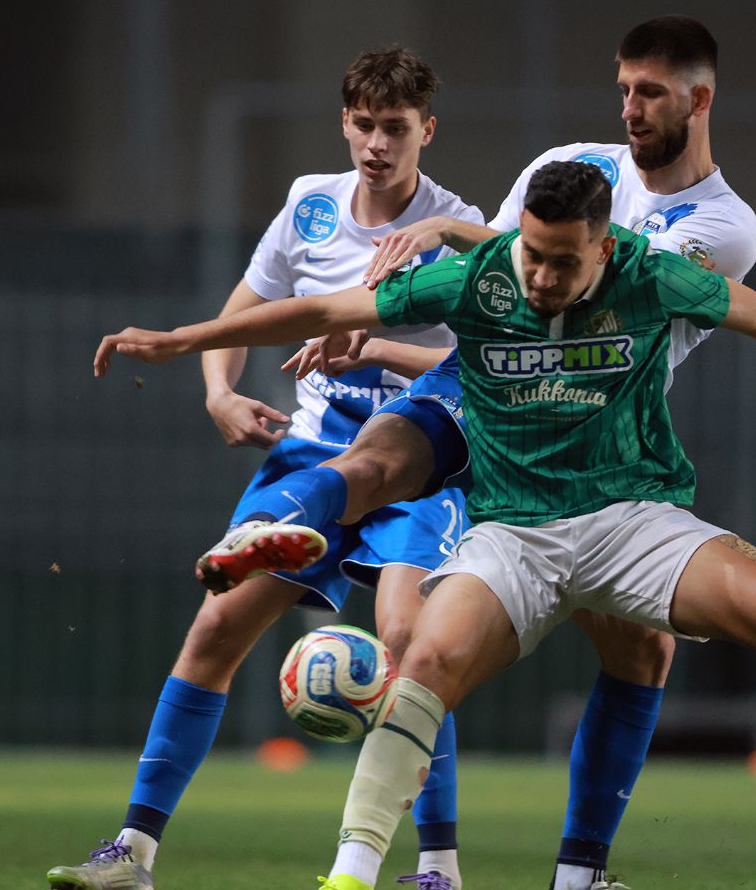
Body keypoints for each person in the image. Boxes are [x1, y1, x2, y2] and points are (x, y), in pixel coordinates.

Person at [92, 161, 756, 889]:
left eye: (563, 262)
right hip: (513, 532)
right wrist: (185, 340)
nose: (542, 277)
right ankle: (351, 878)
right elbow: (328, 310)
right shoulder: (481, 276)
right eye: (532, 256)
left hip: (630, 519)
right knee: (423, 665)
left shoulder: (653, 274)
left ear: (606, 247)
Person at [208, 16, 756, 889]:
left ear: (700, 99)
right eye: (623, 87)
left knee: (637, 653)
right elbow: (502, 274)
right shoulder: (573, 164)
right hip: (492, 396)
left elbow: (592, 289)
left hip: (591, 445)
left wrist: (428, 254)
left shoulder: (723, 227)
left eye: (649, 92)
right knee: (386, 512)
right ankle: (394, 861)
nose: (629, 107)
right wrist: (223, 353)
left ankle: (560, 873)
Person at [47, 48, 481, 890]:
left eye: (396, 128)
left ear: (427, 130)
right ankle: (132, 853)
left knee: (409, 640)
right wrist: (218, 392)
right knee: (214, 630)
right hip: (318, 445)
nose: (378, 144)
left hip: (420, 458)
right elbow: (246, 310)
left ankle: (437, 868)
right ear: (344, 122)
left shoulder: (456, 227)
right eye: (365, 124)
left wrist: (374, 346)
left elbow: (475, 360)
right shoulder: (310, 206)